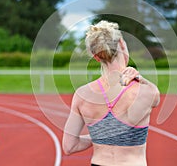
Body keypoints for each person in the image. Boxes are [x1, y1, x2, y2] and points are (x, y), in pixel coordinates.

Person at [62, 20, 160, 166]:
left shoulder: (82, 95)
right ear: (121, 43)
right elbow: (156, 97)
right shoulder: (145, 91)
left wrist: (99, 135)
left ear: (96, 56)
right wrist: (141, 78)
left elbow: (69, 146)